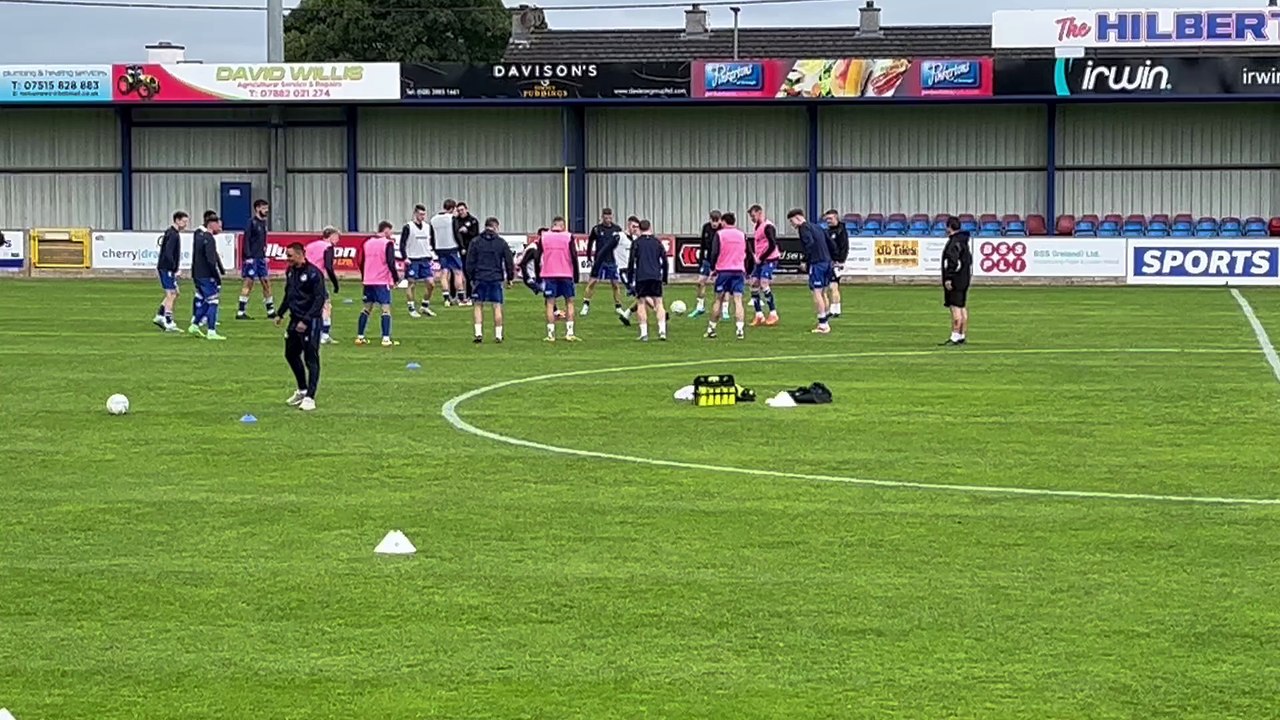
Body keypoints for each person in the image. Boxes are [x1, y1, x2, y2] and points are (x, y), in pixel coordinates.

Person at [277, 242, 326, 412]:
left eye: (290, 255)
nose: (287, 259)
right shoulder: (290, 271)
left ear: (300, 254)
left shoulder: (314, 274)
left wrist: (305, 320)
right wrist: (280, 312)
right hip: (294, 319)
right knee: (290, 354)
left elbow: (319, 300)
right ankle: (302, 389)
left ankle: (310, 397)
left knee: (311, 358)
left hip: (310, 321)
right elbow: (289, 294)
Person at [465, 216, 515, 344]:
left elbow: (469, 262)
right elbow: (509, 261)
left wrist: (470, 277)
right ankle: (498, 334)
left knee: (478, 305)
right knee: (497, 305)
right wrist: (510, 277)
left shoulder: (475, 241)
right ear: (495, 227)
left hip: (480, 277)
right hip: (495, 278)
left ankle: (478, 333)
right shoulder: (501, 242)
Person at [705, 212, 753, 340]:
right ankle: (740, 329)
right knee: (738, 300)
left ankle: (712, 328)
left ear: (724, 222)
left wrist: (712, 268)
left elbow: (714, 252)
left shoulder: (720, 234)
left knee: (718, 300)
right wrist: (748, 271)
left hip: (723, 270)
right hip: (738, 270)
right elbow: (749, 254)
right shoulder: (742, 235)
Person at [787, 208, 834, 334]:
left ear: (797, 218)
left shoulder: (804, 228)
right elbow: (830, 242)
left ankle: (823, 324)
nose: (792, 225)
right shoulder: (818, 227)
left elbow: (809, 244)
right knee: (823, 292)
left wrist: (805, 260)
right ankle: (826, 319)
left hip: (817, 262)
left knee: (817, 292)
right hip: (827, 261)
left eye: (792, 222)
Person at [357, 221, 401, 347]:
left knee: (366, 308)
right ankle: (386, 338)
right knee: (385, 309)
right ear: (386, 230)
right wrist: (395, 278)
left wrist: (364, 276)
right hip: (381, 280)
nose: (391, 234)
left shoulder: (367, 242)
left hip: (368, 280)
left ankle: (360, 336)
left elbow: (361, 261)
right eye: (390, 231)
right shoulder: (387, 243)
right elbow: (391, 262)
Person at [539, 217, 581, 342]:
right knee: (569, 302)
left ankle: (551, 334)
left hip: (549, 273)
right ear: (563, 226)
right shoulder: (568, 236)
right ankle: (569, 332)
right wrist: (576, 273)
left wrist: (537, 273)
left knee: (550, 303)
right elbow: (574, 255)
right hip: (566, 273)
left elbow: (537, 255)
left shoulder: (544, 236)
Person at [627, 219, 669, 342]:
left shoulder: (636, 243)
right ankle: (662, 331)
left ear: (639, 229)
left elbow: (631, 262)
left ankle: (644, 333)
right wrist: (664, 277)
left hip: (642, 276)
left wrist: (630, 279)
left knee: (641, 303)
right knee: (659, 303)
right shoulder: (657, 242)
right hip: (655, 276)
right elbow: (665, 261)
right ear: (650, 228)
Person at [189, 212, 227, 341]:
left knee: (205, 300)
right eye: (219, 225)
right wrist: (216, 276)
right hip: (206, 275)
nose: (221, 228)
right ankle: (211, 331)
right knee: (213, 301)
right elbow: (211, 260)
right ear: (212, 224)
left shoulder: (199, 236)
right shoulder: (209, 238)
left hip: (197, 274)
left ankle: (195, 325)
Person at [582, 208, 625, 320]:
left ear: (612, 217)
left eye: (610, 217)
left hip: (612, 260)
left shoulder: (617, 229)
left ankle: (618, 306)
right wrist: (588, 256)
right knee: (592, 282)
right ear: (602, 217)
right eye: (606, 218)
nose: (608, 220)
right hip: (599, 260)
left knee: (615, 284)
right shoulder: (597, 229)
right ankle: (586, 304)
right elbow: (590, 242)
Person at [236, 199, 276, 320]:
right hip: (252, 258)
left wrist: (264, 255)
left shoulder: (263, 223)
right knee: (249, 283)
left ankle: (271, 311)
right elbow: (246, 239)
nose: (266, 210)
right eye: (264, 208)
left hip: (260, 258)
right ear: (257, 208)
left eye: (267, 208)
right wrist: (248, 257)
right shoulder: (251, 222)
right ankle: (241, 312)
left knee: (266, 282)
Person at [304, 227, 341, 344]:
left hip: (305, 278)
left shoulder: (310, 245)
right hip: (317, 280)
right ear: (330, 236)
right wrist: (335, 283)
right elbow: (329, 267)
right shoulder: (328, 247)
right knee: (326, 306)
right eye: (337, 237)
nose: (338, 240)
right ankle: (324, 335)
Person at [399, 203, 437, 319]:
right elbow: (402, 243)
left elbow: (432, 242)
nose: (422, 217)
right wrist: (405, 257)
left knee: (431, 284)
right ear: (415, 214)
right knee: (412, 283)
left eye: (424, 214)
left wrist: (433, 255)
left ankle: (425, 305)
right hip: (412, 259)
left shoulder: (428, 227)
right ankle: (411, 308)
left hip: (425, 258)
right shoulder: (408, 227)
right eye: (420, 214)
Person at [941, 216, 973, 346]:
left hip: (956, 279)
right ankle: (962, 334)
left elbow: (953, 262)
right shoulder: (964, 242)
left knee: (955, 308)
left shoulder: (954, 243)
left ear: (949, 227)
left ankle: (954, 336)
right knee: (962, 306)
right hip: (965, 278)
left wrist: (948, 278)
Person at [153, 210, 187, 332]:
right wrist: (173, 269)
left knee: (176, 292)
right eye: (184, 221)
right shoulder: (173, 234)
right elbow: (168, 253)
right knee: (171, 294)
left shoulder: (172, 233)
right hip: (167, 268)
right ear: (177, 220)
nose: (185, 224)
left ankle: (160, 315)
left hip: (167, 268)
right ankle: (168, 321)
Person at [748, 204, 781, 326]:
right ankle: (759, 315)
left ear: (760, 212)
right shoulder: (758, 227)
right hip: (760, 260)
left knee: (764, 283)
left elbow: (772, 244)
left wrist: (761, 257)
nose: (752, 219)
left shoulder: (768, 226)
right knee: (753, 283)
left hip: (769, 259)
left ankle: (773, 313)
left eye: (753, 216)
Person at [430, 199, 465, 306]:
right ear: (452, 208)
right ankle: (460, 299)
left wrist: (435, 248)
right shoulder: (452, 218)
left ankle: (446, 298)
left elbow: (432, 236)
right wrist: (462, 246)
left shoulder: (433, 219)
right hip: (452, 247)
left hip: (440, 248)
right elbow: (456, 233)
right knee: (458, 272)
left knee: (444, 273)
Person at [690, 210, 721, 318]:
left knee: (721, 285)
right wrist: (701, 259)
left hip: (720, 261)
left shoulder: (722, 230)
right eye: (713, 220)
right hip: (707, 260)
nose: (714, 223)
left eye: (716, 221)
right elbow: (703, 244)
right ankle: (700, 307)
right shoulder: (706, 228)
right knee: (700, 282)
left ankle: (724, 309)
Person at [823, 209, 849, 318]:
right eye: (827, 219)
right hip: (828, 262)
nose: (828, 221)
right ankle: (833, 309)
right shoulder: (828, 231)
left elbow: (844, 247)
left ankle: (835, 309)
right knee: (829, 287)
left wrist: (840, 261)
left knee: (834, 286)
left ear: (836, 218)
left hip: (836, 263)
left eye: (830, 218)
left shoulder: (841, 231)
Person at [455, 201, 481, 300]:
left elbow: (475, 235)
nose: (460, 212)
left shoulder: (473, 221)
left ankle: (472, 294)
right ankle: (456, 295)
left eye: (462, 210)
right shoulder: (456, 221)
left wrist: (466, 232)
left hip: (471, 250)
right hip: (459, 249)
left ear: (466, 209)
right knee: (458, 273)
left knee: (470, 272)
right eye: (458, 210)